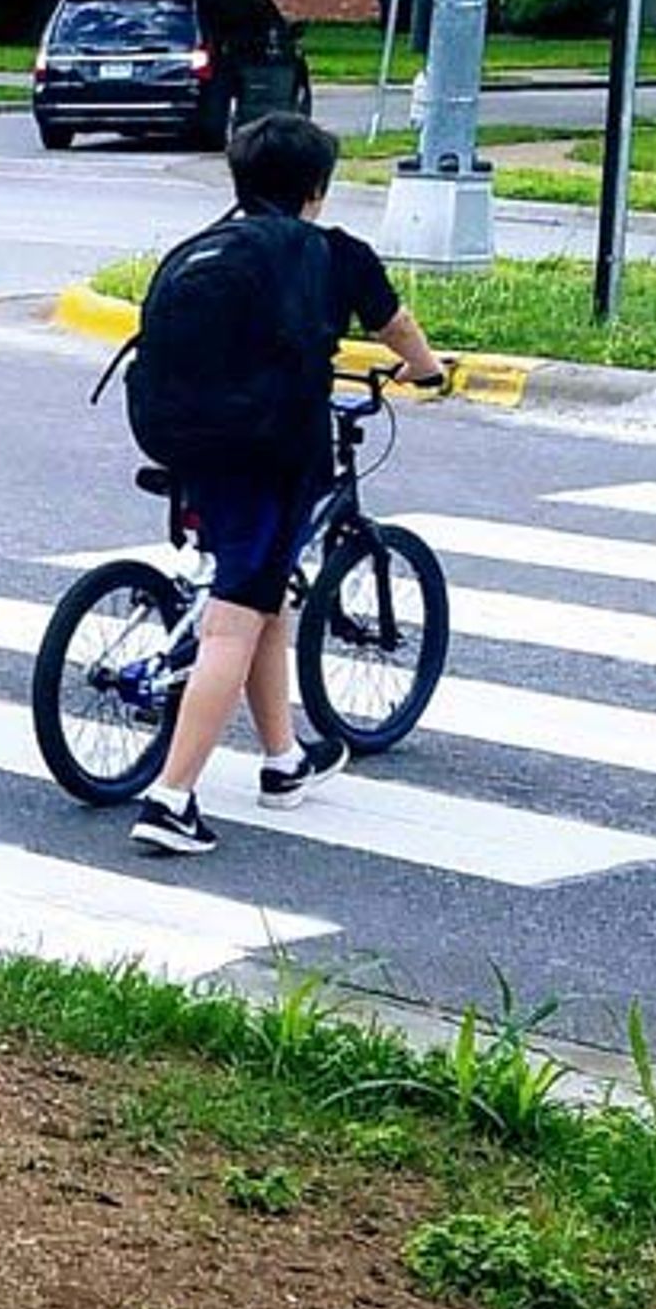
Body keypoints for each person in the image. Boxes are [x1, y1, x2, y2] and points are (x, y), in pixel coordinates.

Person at [129, 111, 450, 861]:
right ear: (318, 188)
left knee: (264, 590)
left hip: (180, 435)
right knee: (234, 621)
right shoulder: (335, 254)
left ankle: (282, 760)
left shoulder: (201, 247)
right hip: (267, 448)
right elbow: (396, 328)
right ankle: (170, 799)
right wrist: (429, 373)